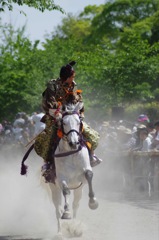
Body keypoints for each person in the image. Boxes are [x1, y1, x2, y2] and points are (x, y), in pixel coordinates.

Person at [34, 61, 102, 183]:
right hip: (55, 116)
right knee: (48, 138)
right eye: (72, 76)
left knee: (90, 134)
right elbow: (49, 102)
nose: (73, 79)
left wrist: (79, 112)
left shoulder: (73, 85)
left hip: (72, 116)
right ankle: (48, 164)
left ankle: (91, 156)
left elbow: (78, 100)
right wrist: (57, 114)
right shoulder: (52, 85)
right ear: (67, 76)